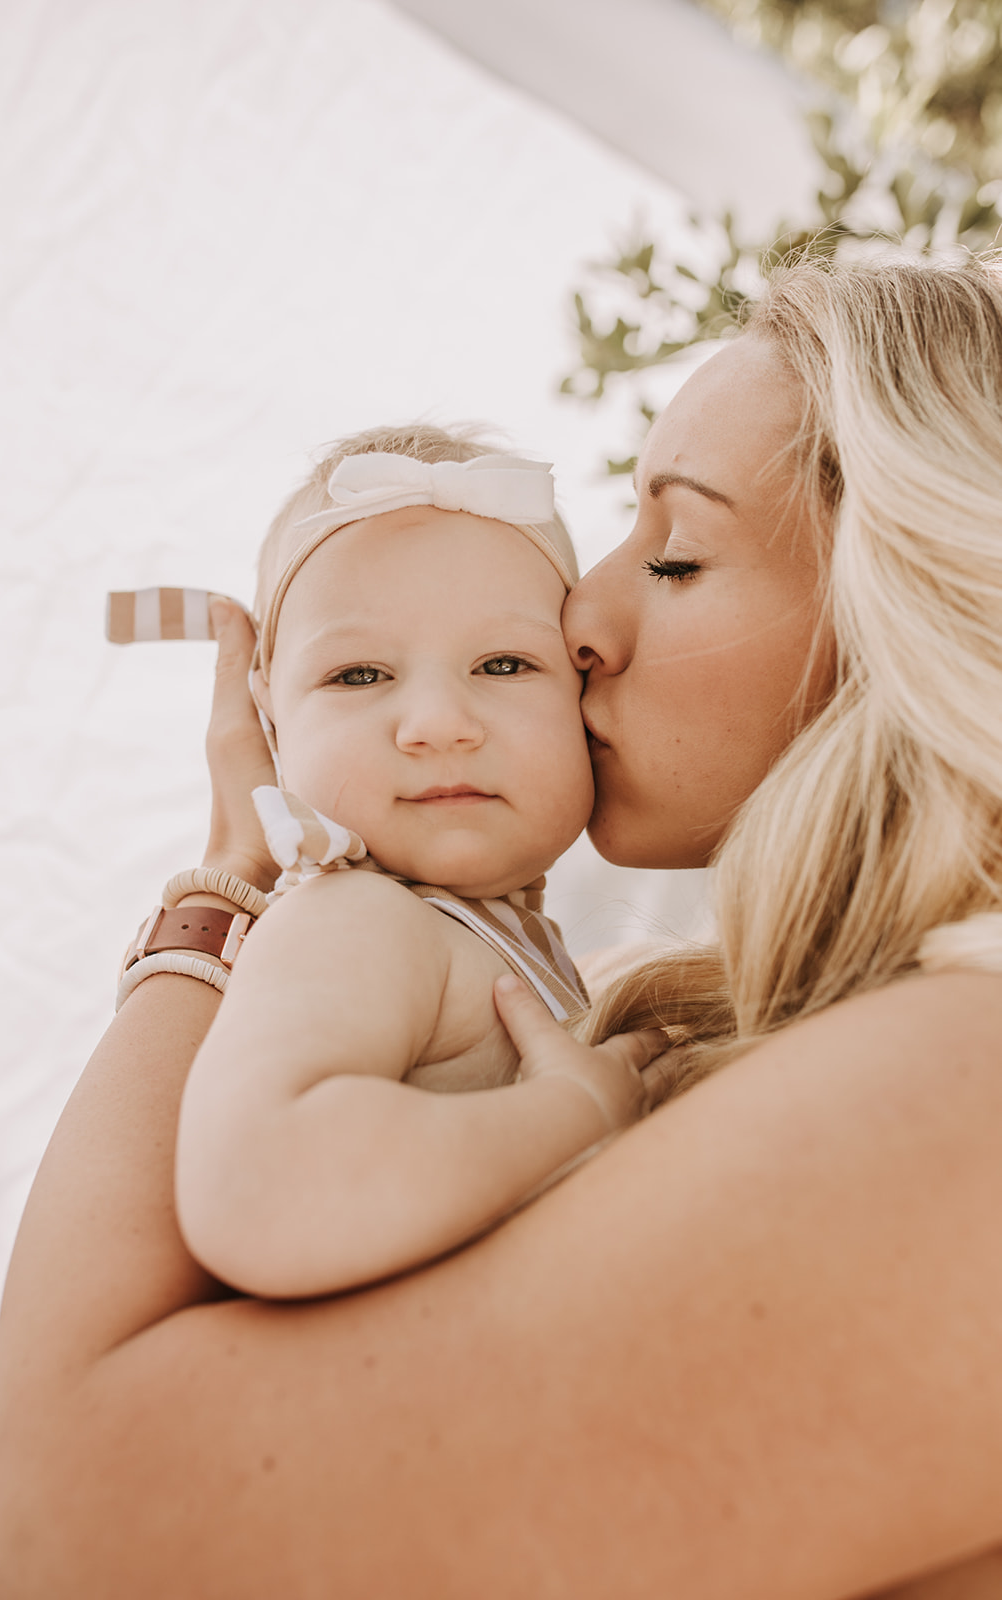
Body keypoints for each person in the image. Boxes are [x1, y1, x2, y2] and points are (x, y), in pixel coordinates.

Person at [0, 255, 1002, 1600]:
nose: (581, 625)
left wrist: (231, 886)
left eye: (674, 554)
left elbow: (52, 1545)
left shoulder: (956, 1102)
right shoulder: (653, 1009)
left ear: (926, 602)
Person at [120, 427, 649, 1299]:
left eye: (505, 663)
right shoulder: (354, 917)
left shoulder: (482, 937)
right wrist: (570, 1113)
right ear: (268, 724)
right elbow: (261, 1192)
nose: (439, 722)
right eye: (360, 675)